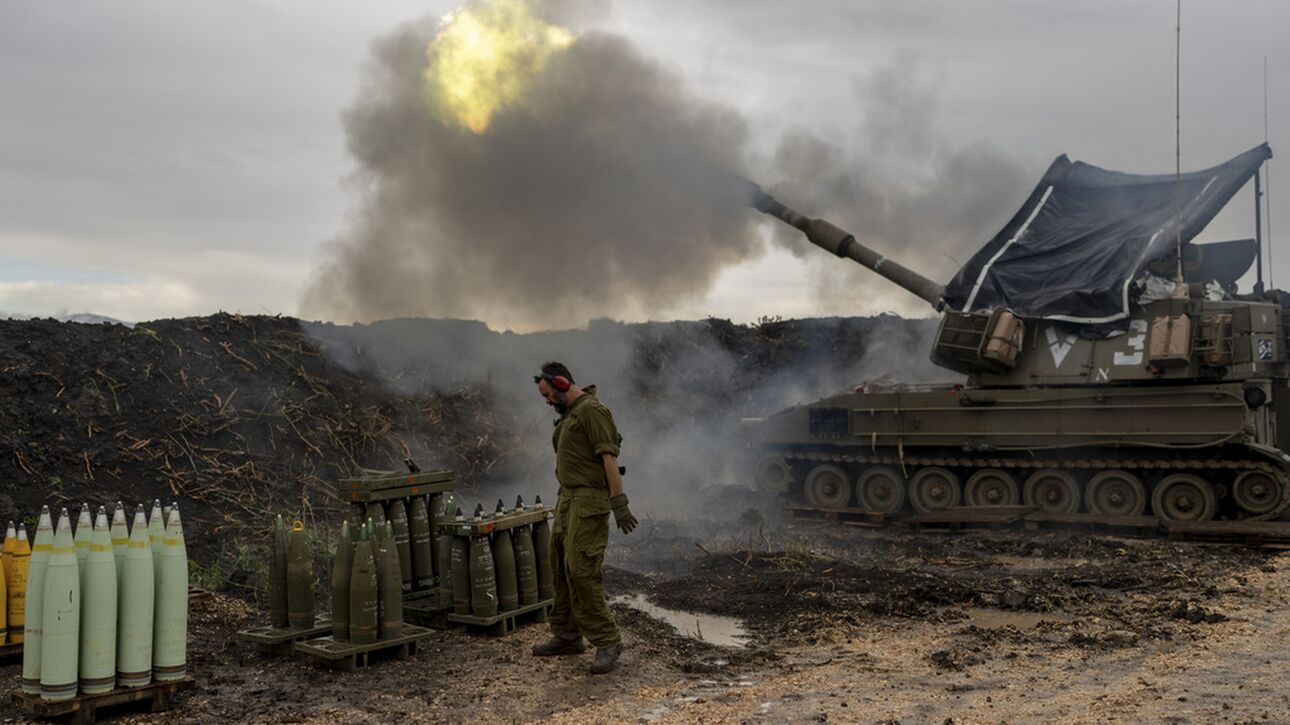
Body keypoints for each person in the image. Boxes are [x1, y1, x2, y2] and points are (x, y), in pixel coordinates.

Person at [530, 361, 638, 674]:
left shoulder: (593, 411)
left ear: (562, 383)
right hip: (567, 499)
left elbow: (609, 458)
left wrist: (619, 503)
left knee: (581, 570)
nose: (548, 401)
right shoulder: (569, 416)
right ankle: (567, 636)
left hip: (589, 501)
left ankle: (608, 640)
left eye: (549, 394)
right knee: (560, 568)